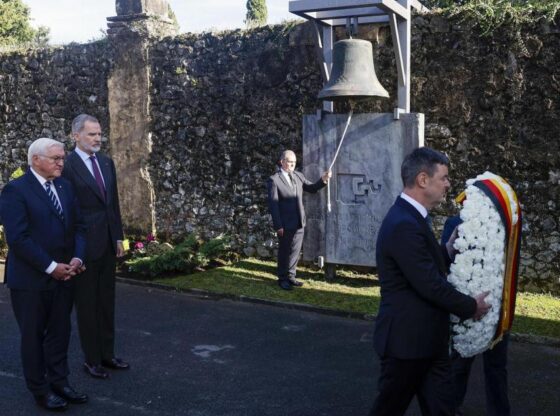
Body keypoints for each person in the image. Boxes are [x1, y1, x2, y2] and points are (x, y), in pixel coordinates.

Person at [370, 147, 491, 416]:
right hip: (407, 345)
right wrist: (471, 306)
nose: (448, 184)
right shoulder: (404, 223)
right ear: (423, 180)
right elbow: (429, 284)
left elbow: (425, 266)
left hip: (427, 344)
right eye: (444, 178)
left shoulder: (412, 217)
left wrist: (446, 250)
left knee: (443, 410)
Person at [0, 138, 88, 411]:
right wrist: (52, 267)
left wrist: (77, 257)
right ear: (35, 160)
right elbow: (18, 238)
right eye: (55, 159)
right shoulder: (15, 191)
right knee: (33, 337)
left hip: (66, 275)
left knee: (60, 333)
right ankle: (39, 390)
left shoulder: (65, 186)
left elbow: (79, 227)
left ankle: (60, 382)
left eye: (62, 158)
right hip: (31, 281)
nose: (62, 163)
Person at [62, 114, 128, 379]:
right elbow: (66, 209)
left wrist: (119, 237)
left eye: (99, 134)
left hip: (108, 245)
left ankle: (107, 355)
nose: (98, 139)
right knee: (87, 306)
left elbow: (112, 204)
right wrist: (72, 249)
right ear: (75, 135)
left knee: (106, 303)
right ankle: (91, 360)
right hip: (83, 247)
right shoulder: (66, 165)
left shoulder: (106, 162)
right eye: (91, 134)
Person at [442, 216, 512, 416]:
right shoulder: (455, 222)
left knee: (497, 368)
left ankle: (499, 412)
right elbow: (445, 262)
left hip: (496, 308)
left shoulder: (504, 222)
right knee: (459, 363)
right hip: (466, 308)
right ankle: (450, 409)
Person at [267, 150, 331, 290]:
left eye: (294, 163)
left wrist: (323, 179)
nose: (292, 165)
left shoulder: (298, 176)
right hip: (284, 224)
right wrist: (278, 225)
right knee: (284, 252)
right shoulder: (274, 180)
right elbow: (274, 205)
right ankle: (282, 279)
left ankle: (291, 276)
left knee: (295, 251)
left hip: (299, 223)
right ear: (282, 162)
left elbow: (312, 188)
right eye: (290, 162)